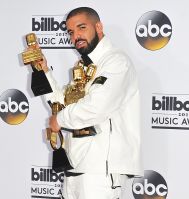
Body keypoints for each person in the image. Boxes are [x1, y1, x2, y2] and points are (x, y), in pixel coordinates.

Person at [41, 7, 142, 199]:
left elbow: (96, 108)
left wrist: (60, 120)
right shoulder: (84, 67)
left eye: (81, 28)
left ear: (98, 27)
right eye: (71, 32)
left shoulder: (116, 62)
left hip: (99, 174)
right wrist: (44, 71)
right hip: (75, 167)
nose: (76, 36)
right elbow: (61, 103)